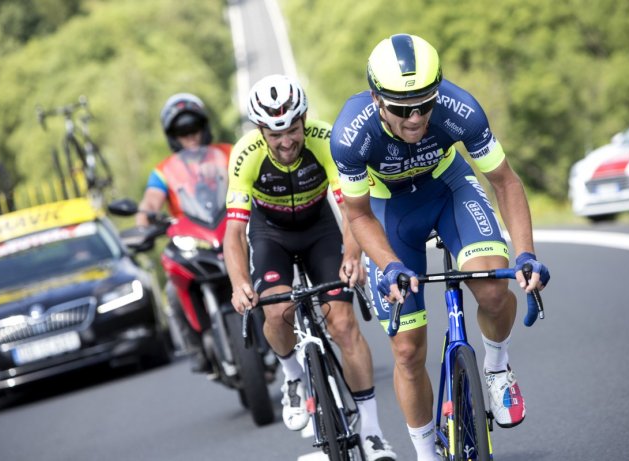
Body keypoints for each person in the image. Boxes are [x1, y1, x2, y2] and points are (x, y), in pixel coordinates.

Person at [330, 34, 551, 461]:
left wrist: (524, 254)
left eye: (424, 105)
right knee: (408, 349)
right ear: (376, 100)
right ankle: (426, 453)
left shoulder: (459, 108)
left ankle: (497, 364)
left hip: (449, 189)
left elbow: (505, 180)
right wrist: (390, 264)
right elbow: (357, 215)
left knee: (491, 287)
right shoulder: (350, 135)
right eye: (400, 108)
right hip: (389, 210)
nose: (415, 118)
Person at [224, 74, 396, 461]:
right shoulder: (245, 154)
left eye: (293, 131)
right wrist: (238, 284)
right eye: (275, 134)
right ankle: (292, 377)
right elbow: (234, 233)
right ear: (260, 131)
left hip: (319, 229)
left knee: (343, 324)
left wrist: (353, 256)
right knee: (277, 310)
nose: (286, 142)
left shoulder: (326, 139)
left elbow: (354, 208)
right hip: (271, 235)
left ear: (303, 120)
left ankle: (372, 432)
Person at [136, 93, 231, 373]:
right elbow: (151, 201)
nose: (190, 136)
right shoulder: (164, 171)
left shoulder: (228, 153)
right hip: (193, 240)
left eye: (194, 128)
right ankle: (198, 349)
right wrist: (144, 223)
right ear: (173, 136)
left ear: (204, 128)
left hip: (232, 229)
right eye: (182, 131)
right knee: (173, 291)